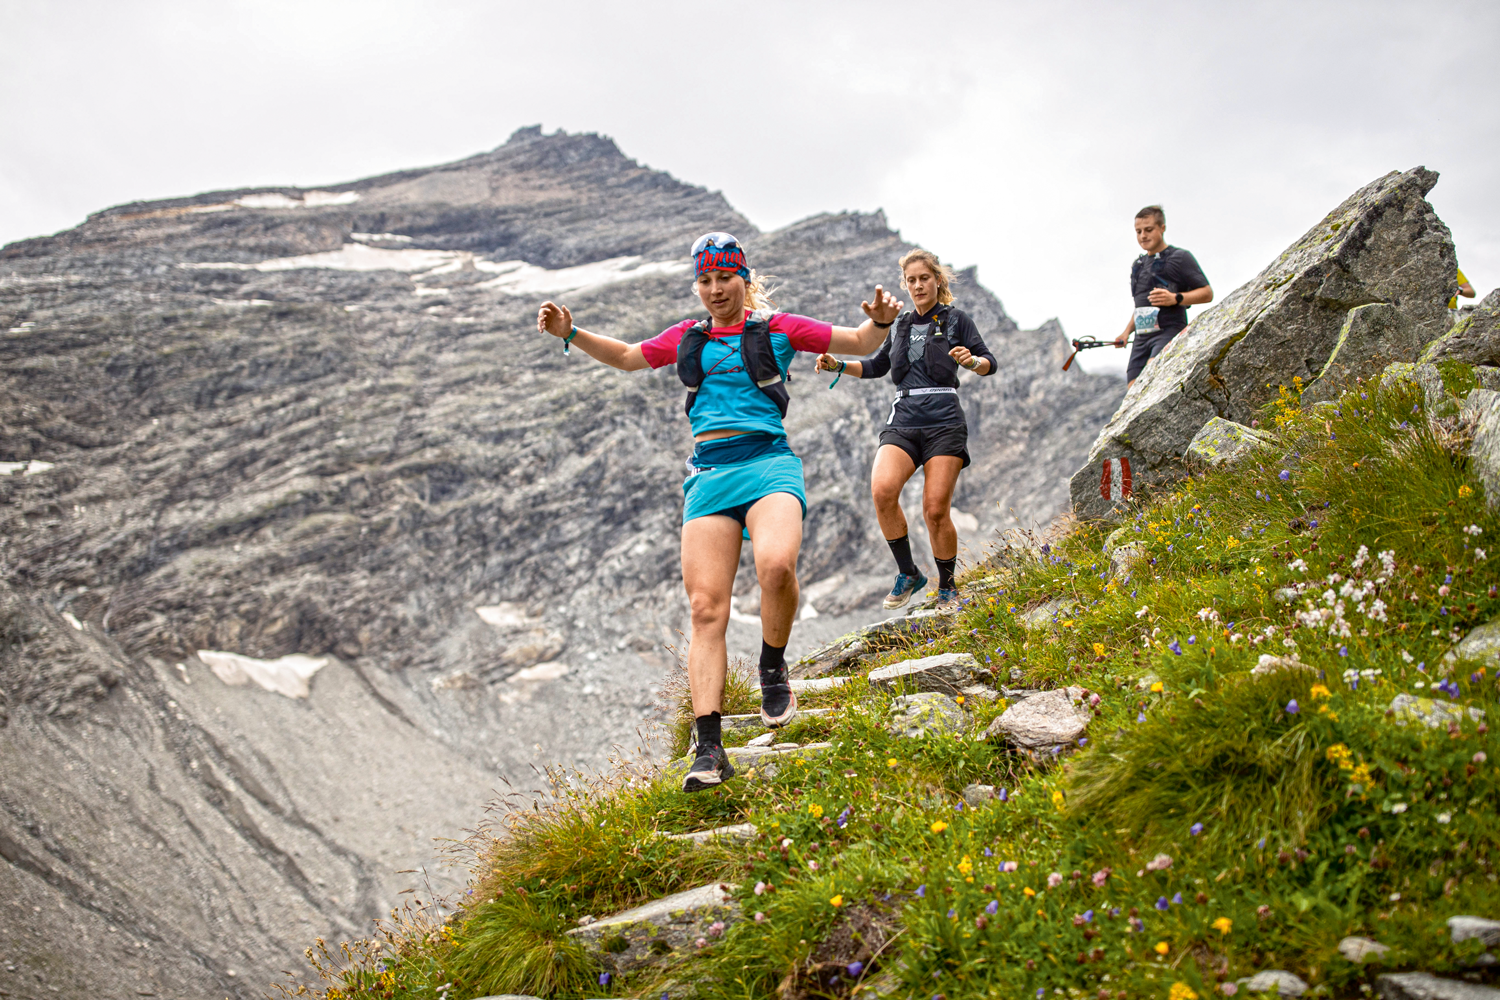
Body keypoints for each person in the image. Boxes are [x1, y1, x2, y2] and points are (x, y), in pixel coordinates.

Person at [535, 233, 898, 791]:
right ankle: (709, 749)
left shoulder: (779, 328)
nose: (714, 290)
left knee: (776, 567)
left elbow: (855, 340)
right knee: (706, 609)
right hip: (708, 477)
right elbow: (630, 358)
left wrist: (879, 322)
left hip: (769, 464)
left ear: (743, 279)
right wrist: (571, 334)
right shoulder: (689, 336)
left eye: (724, 278)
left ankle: (772, 665)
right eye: (704, 281)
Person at [814, 248, 996, 610]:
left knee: (935, 510)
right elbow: (877, 366)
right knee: (882, 491)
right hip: (905, 418)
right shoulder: (900, 324)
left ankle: (947, 586)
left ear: (937, 280)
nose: (917, 286)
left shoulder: (957, 320)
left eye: (924, 278)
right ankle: (909, 572)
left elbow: (990, 362)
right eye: (911, 281)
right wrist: (838, 365)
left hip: (944, 421)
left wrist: (972, 361)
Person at [1112, 205, 1213, 388]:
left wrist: (1176, 298)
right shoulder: (1139, 265)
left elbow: (1207, 293)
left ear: (1162, 228)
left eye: (1148, 230)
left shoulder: (1180, 257)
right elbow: (1140, 307)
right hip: (1142, 338)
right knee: (1133, 391)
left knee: (1150, 381)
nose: (1143, 235)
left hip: (1169, 330)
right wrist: (1126, 333)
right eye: (1138, 231)